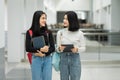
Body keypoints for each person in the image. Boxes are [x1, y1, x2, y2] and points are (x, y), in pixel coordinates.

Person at [25, 10, 55, 80]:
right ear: (37, 19)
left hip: (47, 60)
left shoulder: (48, 32)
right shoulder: (30, 32)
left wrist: (46, 51)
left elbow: (53, 48)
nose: (45, 20)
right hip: (36, 60)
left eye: (45, 18)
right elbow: (28, 48)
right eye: (43, 18)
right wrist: (40, 50)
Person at [56, 11, 86, 80]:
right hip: (63, 59)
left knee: (75, 78)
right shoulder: (60, 33)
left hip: (75, 59)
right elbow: (57, 48)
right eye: (64, 18)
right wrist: (59, 49)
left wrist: (77, 49)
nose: (64, 21)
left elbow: (83, 47)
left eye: (66, 19)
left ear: (72, 20)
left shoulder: (80, 33)